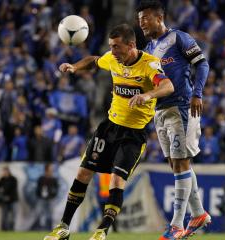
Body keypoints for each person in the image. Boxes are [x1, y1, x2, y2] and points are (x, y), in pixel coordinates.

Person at [43, 23, 174, 240]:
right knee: (83, 172)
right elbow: (94, 60)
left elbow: (168, 86)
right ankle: (63, 227)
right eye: (111, 46)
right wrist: (75, 67)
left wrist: (147, 96)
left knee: (116, 180)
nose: (113, 51)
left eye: (116, 47)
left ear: (131, 45)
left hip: (133, 134)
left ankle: (101, 231)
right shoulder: (113, 59)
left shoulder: (150, 65)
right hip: (109, 128)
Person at [136, 1, 211, 239]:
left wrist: (197, 94)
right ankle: (198, 213)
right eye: (139, 20)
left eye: (145, 18)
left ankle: (177, 225)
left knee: (180, 162)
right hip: (160, 111)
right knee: (175, 163)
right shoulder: (148, 48)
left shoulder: (179, 38)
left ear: (159, 17)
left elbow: (202, 64)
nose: (142, 23)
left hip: (181, 107)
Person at [0, 166, 18, 231]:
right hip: (4, 200)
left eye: (5, 171)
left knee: (13, 216)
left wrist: (6, 194)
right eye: (4, 171)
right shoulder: (2, 179)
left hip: (13, 200)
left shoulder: (13, 179)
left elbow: (13, 189)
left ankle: (11, 229)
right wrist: (1, 194)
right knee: (4, 215)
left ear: (8, 171)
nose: (4, 173)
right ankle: (3, 229)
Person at [37, 163, 59, 230]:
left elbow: (56, 189)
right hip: (42, 198)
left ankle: (51, 228)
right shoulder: (41, 178)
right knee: (42, 213)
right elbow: (38, 188)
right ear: (46, 170)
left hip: (51, 199)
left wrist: (53, 195)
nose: (51, 170)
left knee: (51, 214)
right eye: (50, 169)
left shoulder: (53, 179)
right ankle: (42, 228)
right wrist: (39, 195)